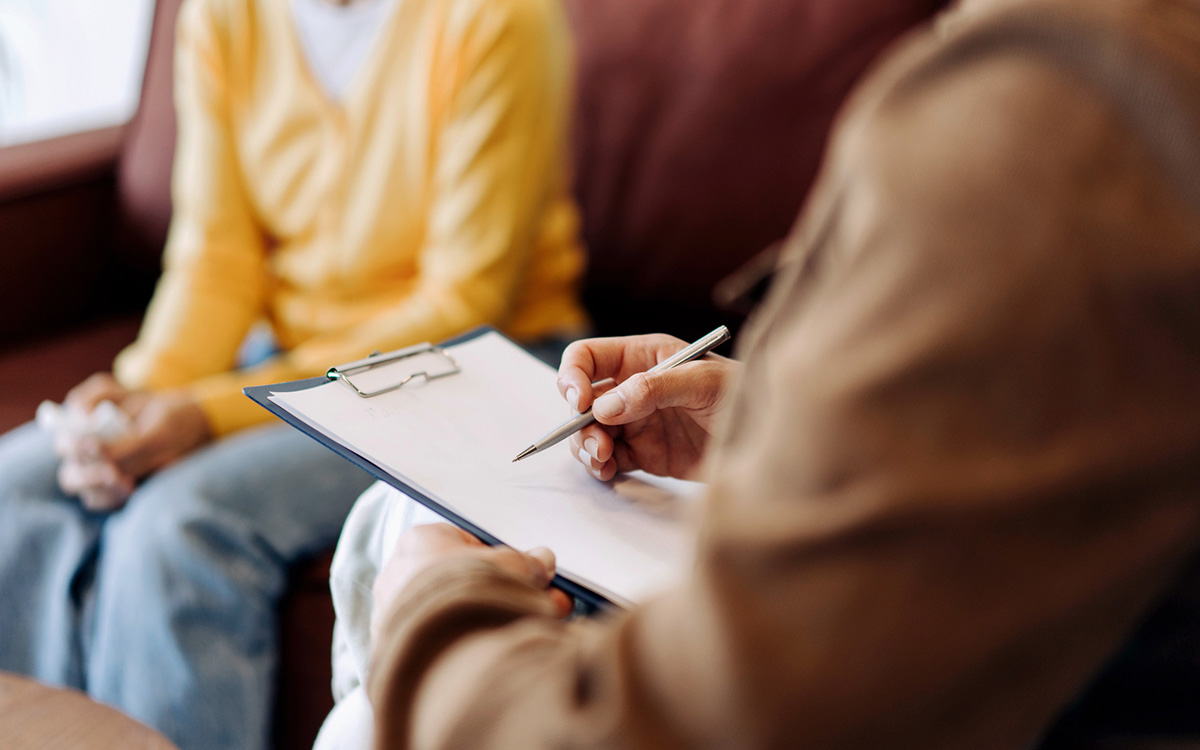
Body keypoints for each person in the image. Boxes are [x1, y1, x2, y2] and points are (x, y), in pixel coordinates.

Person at [361, 0, 1200, 747]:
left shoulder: (1057, 118)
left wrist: (434, 620)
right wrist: (780, 421)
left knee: (389, 537)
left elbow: (701, 728)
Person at [0, 0, 586, 746]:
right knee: (18, 491)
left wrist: (209, 412)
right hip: (284, 362)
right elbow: (216, 259)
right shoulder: (223, 16)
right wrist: (140, 393)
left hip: (467, 368)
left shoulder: (501, 21)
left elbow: (463, 302)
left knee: (177, 530)